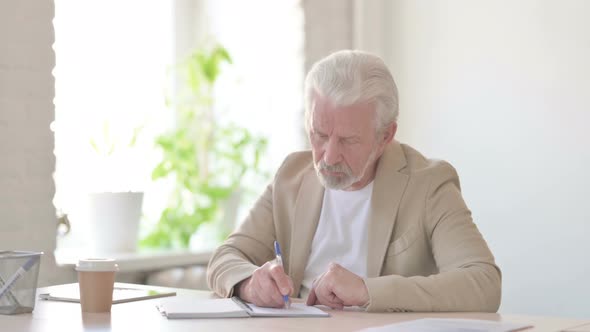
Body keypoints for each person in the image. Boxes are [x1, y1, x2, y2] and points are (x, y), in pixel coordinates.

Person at [207, 50, 501, 312]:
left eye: (348, 140)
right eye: (319, 135)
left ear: (385, 135)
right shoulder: (291, 176)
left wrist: (366, 290)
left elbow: (484, 283)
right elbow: (225, 257)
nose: (329, 156)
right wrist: (249, 282)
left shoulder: (428, 183)